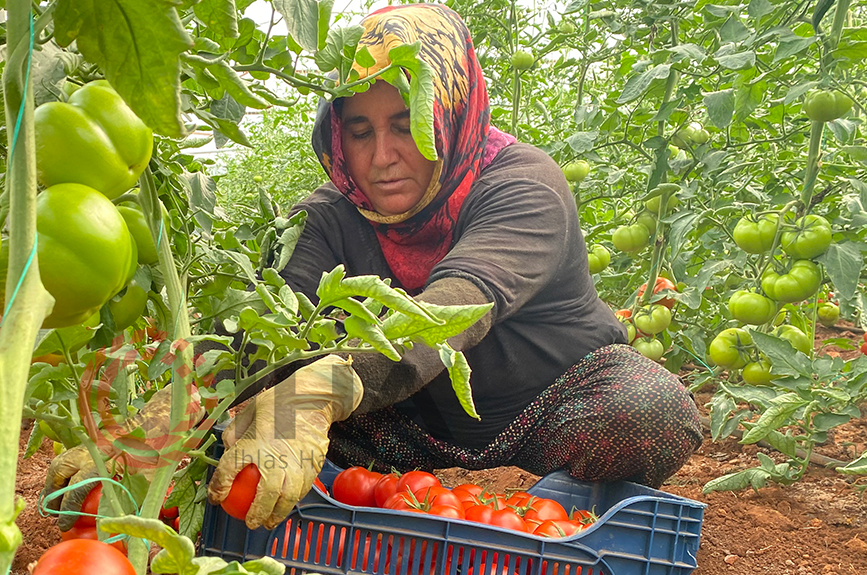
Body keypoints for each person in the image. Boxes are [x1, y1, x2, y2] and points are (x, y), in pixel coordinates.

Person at [47, 4, 703, 534]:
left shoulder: (522, 186)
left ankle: (564, 506)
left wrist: (318, 390)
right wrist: (163, 419)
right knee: (245, 423)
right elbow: (261, 326)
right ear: (337, 136)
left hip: (540, 409)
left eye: (406, 124)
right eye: (360, 131)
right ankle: (389, 494)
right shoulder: (329, 215)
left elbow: (456, 304)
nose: (383, 156)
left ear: (449, 111)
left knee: (648, 409)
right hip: (399, 425)